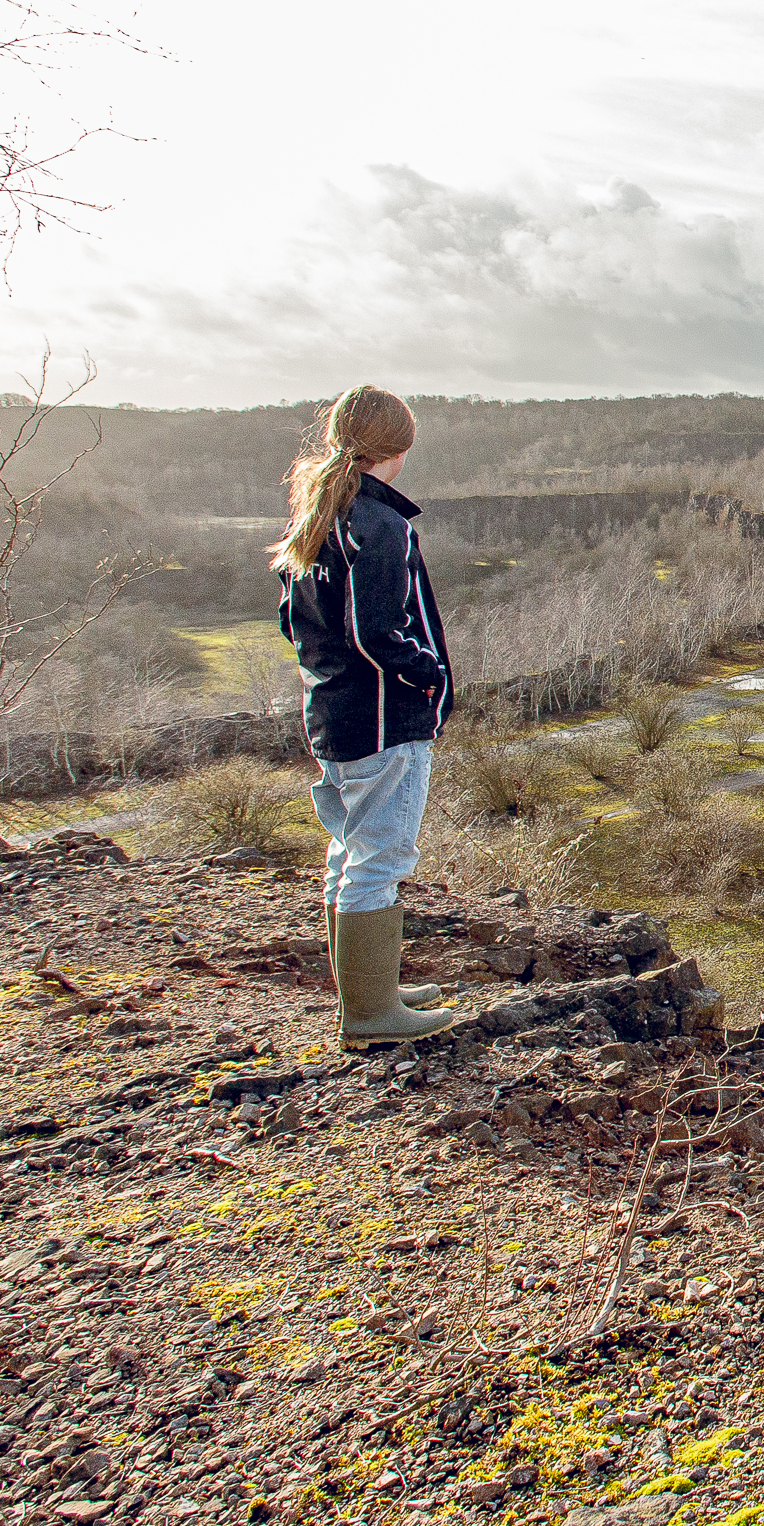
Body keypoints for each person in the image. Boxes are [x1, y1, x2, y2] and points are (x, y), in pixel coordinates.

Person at [270, 384, 457, 1047]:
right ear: (399, 449)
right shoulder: (381, 528)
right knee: (380, 857)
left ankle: (370, 991)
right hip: (385, 722)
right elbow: (378, 633)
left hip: (333, 715)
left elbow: (295, 621)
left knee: (349, 853)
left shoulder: (318, 516)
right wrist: (428, 675)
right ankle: (373, 1016)